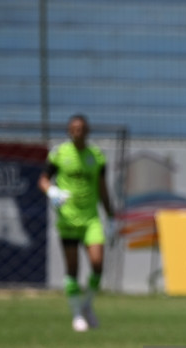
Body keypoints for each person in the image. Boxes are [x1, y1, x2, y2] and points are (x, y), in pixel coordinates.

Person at [39, 114, 114, 332]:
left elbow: (103, 189)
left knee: (97, 263)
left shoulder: (96, 156)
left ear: (87, 131)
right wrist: (52, 191)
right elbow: (43, 180)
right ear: (69, 131)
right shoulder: (59, 154)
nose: (77, 132)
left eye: (81, 128)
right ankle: (76, 315)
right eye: (74, 128)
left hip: (91, 219)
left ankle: (87, 305)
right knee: (72, 268)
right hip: (68, 219)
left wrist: (111, 216)